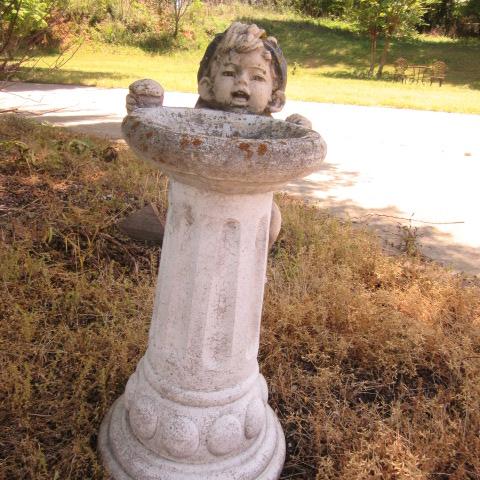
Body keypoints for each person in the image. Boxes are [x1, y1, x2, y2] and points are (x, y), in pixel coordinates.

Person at [126, 22, 312, 248]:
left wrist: (299, 130)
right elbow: (166, 130)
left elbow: (296, 143)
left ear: (275, 99)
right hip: (197, 195)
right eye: (229, 72)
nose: (242, 82)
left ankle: (250, 268)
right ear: (207, 87)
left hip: (252, 203)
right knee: (191, 217)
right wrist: (149, 108)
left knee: (270, 220)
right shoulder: (199, 122)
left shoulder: (268, 131)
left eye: (257, 77)